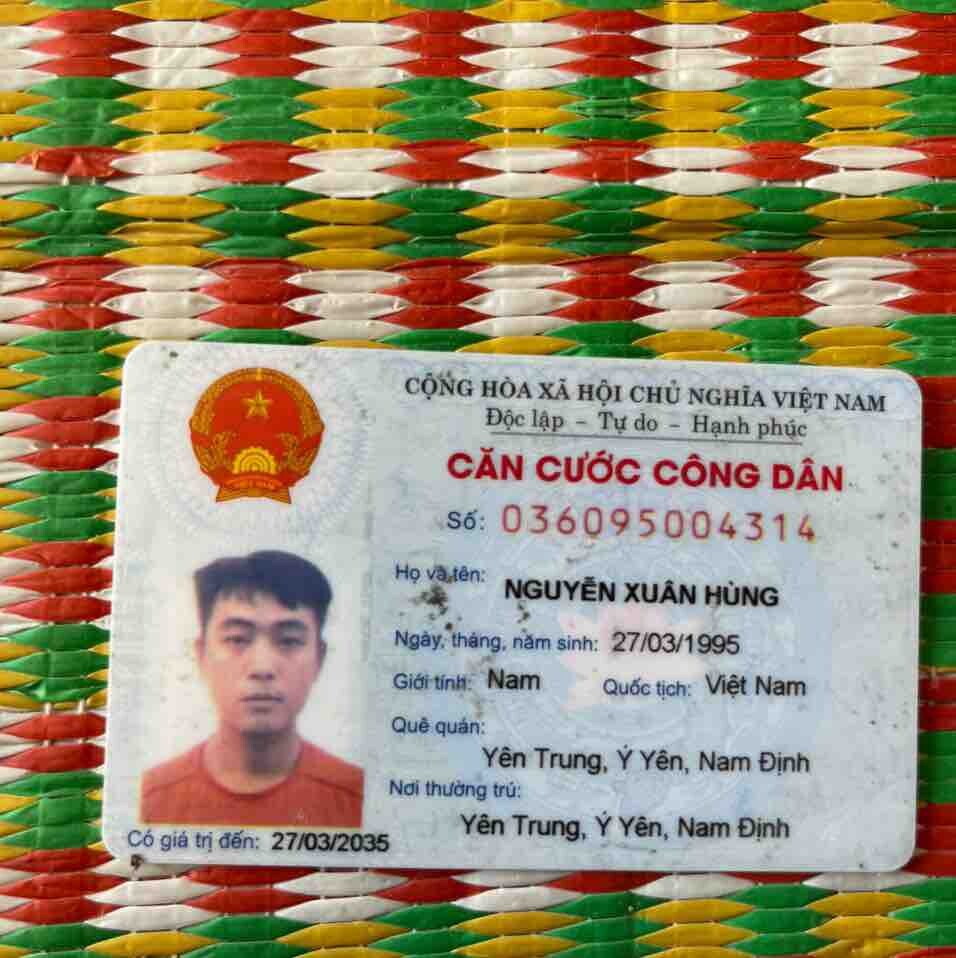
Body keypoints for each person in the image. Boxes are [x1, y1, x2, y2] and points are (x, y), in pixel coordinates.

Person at [140, 550, 363, 827]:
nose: (262, 667)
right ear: (200, 654)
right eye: (237, 639)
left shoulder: (359, 801)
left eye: (289, 640)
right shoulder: (149, 801)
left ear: (320, 657)